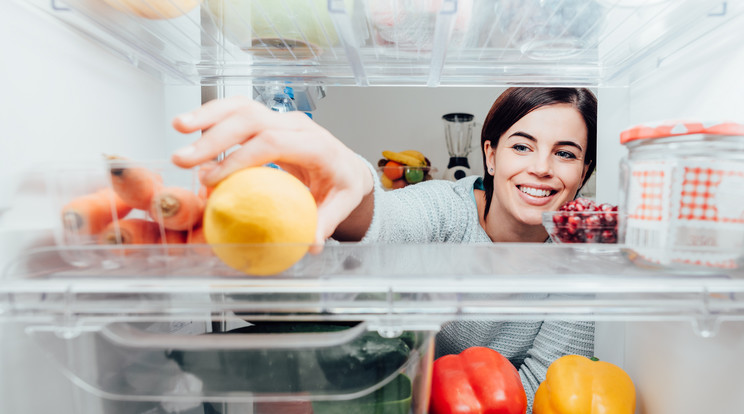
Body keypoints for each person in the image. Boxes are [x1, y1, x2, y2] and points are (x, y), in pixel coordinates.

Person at [171, 87, 597, 412]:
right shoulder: (448, 207)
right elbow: (387, 222)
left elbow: (552, 386)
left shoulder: (579, 256)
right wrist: (353, 183)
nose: (540, 167)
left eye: (565, 153)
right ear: (490, 155)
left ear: (584, 172)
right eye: (522, 146)